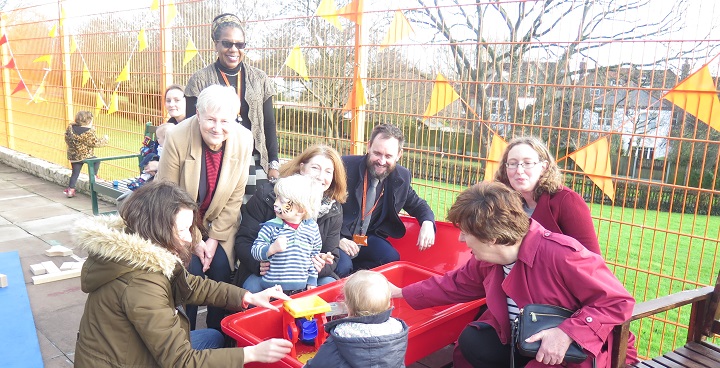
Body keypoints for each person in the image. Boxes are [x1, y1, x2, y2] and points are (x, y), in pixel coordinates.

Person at [390, 182, 638, 368]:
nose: (461, 239)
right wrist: (398, 292)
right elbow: (453, 285)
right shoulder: (490, 258)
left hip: (564, 353)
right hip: (521, 339)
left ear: (492, 237)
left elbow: (618, 301)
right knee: (471, 343)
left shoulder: (561, 254)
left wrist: (567, 332)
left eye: (466, 232)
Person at [74, 181, 293, 367]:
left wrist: (248, 297)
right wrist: (252, 353)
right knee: (215, 343)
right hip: (128, 362)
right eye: (181, 230)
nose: (189, 239)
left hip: (129, 354)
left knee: (212, 336)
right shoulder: (141, 283)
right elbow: (180, 361)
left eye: (189, 229)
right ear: (155, 227)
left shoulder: (142, 250)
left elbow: (193, 285)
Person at [156, 84, 254, 331]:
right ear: (197, 115)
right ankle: (183, 332)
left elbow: (235, 196)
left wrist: (214, 239)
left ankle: (217, 332)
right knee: (191, 270)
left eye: (225, 121)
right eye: (210, 119)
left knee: (221, 267)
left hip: (220, 221)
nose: (217, 128)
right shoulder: (178, 137)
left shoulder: (244, 139)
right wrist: (196, 239)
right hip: (179, 221)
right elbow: (167, 194)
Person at [185, 13, 280, 196]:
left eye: (240, 44)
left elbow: (269, 124)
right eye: (227, 43)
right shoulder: (199, 80)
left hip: (254, 157)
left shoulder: (260, 79)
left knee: (257, 207)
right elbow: (191, 126)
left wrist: (273, 163)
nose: (233, 49)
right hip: (213, 159)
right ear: (216, 44)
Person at [234, 144, 349, 288]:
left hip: (307, 276)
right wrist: (259, 263)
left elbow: (332, 254)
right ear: (302, 168)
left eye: (328, 172)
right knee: (254, 290)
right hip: (267, 272)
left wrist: (322, 264)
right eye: (315, 168)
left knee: (330, 287)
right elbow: (244, 240)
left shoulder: (333, 208)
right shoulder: (269, 195)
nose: (321, 177)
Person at [339, 124, 436, 272]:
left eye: (389, 156)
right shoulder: (344, 167)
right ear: (369, 146)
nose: (382, 161)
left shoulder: (401, 177)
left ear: (399, 155)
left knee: (390, 259)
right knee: (343, 266)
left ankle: (360, 284)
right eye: (377, 153)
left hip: (364, 239)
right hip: (337, 237)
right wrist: (336, 240)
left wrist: (428, 223)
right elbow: (320, 209)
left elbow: (417, 204)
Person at [494, 136, 601, 255]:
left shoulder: (567, 201)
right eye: (513, 163)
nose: (519, 170)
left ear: (543, 167)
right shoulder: (503, 203)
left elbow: (592, 258)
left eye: (527, 163)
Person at [304, 270, 409, 368]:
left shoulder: (341, 337)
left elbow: (317, 365)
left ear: (348, 307)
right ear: (388, 305)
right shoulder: (398, 333)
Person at [246, 175, 324, 293]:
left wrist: (312, 280)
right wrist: (271, 249)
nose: (275, 204)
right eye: (277, 198)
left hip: (300, 289)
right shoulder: (271, 226)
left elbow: (313, 256)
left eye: (282, 201)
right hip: (270, 289)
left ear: (301, 210)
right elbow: (255, 250)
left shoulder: (312, 229)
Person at [64, 110, 108, 198]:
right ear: (88, 121)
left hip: (74, 156)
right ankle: (94, 176)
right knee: (96, 160)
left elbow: (67, 139)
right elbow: (95, 143)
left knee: (75, 173)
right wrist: (105, 139)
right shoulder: (88, 132)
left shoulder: (70, 129)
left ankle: (70, 190)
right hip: (85, 155)